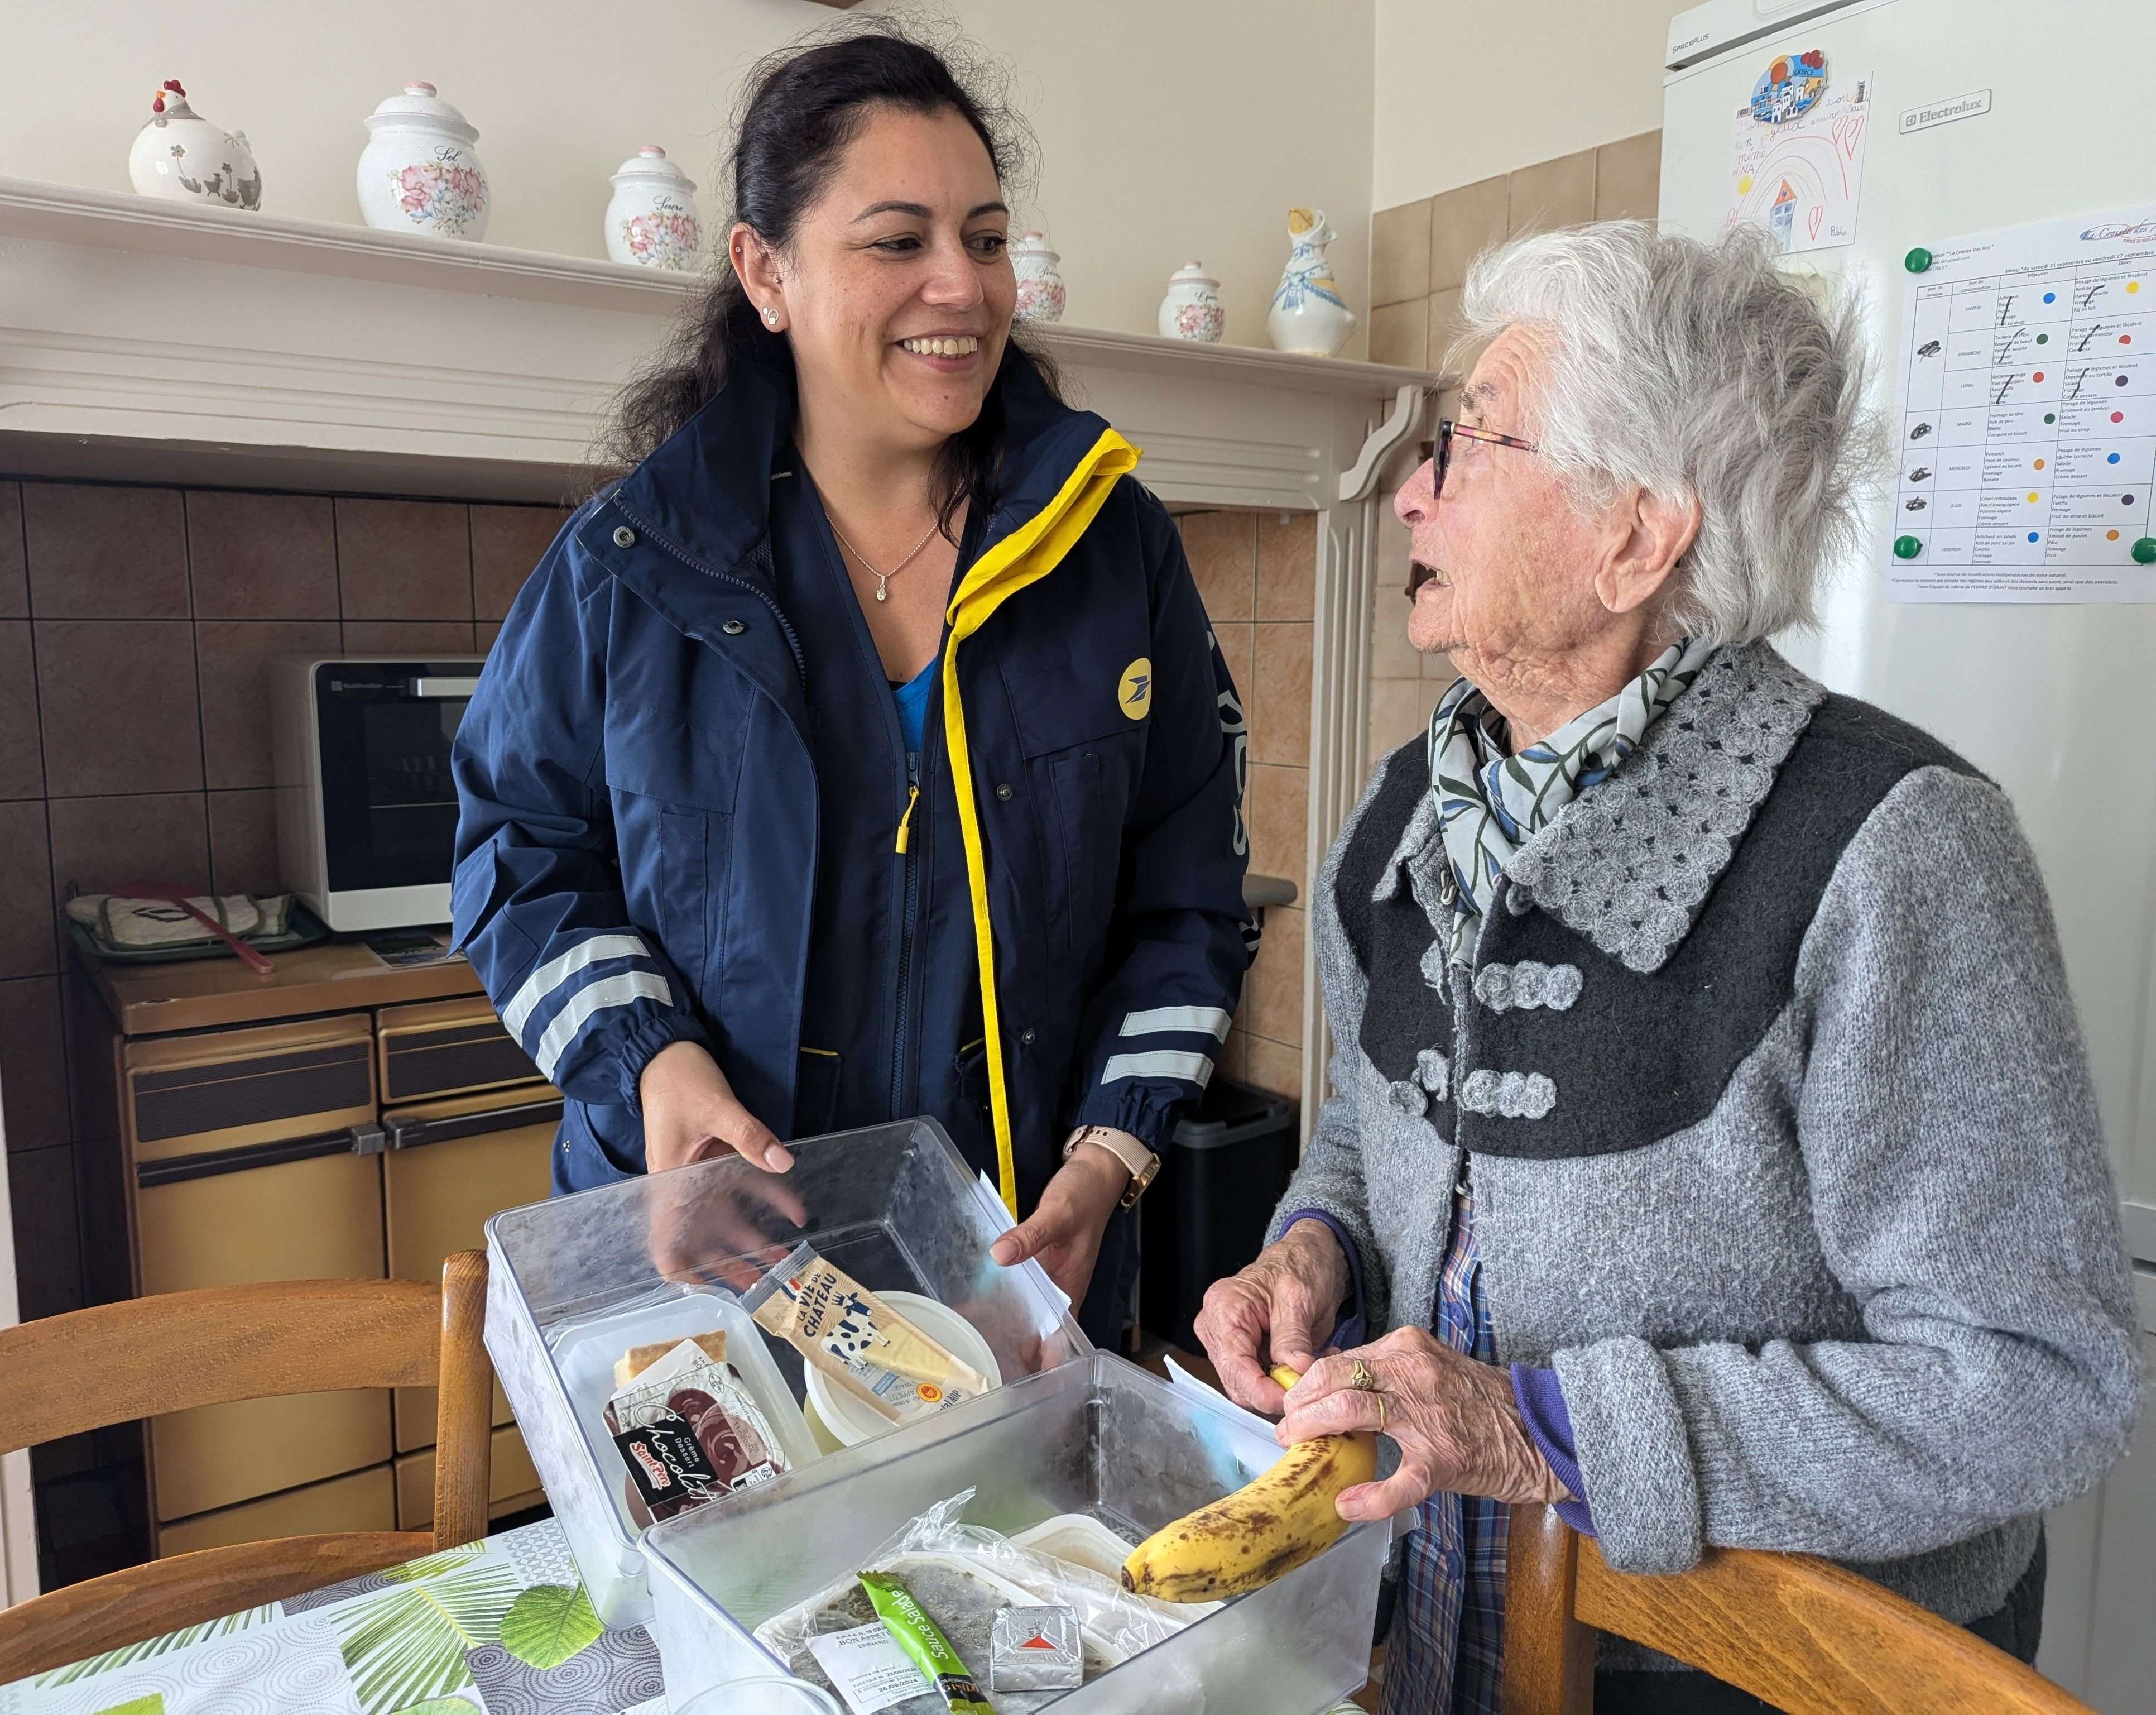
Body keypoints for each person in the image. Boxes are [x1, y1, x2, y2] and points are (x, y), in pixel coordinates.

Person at [1195, 221, 2142, 1713]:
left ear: (1635, 534)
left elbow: (2036, 1383)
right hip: (1459, 1637)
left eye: (1467, 443)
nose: (1412, 491)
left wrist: (1548, 1428)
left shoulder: (1896, 852)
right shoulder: (1403, 815)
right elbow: (1381, 1145)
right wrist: (1308, 1246)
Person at [451, 27, 1251, 1347]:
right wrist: (655, 1062)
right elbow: (515, 859)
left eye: (987, 241)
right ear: (764, 273)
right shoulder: (628, 569)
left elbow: (1191, 904)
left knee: (999, 1559)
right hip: (695, 1273)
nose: (964, 286)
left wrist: (1111, 1157)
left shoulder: (1118, 556)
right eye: (899, 242)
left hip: (1004, 1274)